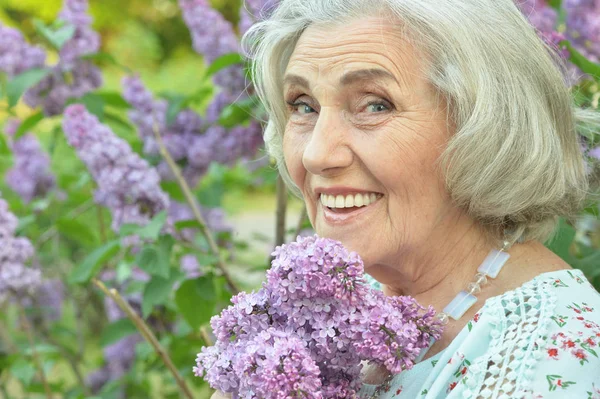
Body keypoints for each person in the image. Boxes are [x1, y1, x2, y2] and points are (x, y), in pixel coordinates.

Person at [212, 0, 600, 397]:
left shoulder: (548, 359)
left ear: (483, 126)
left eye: (375, 105)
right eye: (303, 106)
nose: (316, 154)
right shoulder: (340, 294)